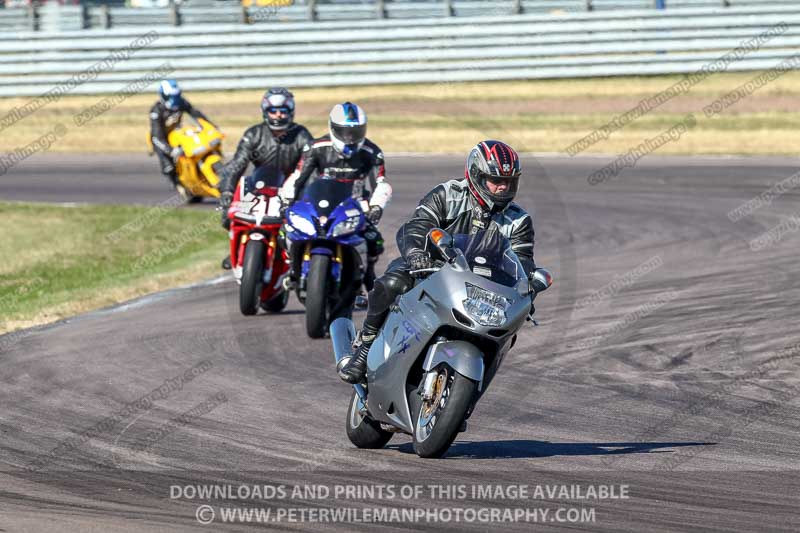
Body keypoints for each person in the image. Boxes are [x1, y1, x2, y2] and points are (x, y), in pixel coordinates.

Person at [338, 140, 536, 384]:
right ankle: (365, 347)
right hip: (432, 269)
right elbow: (417, 226)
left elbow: (523, 260)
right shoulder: (448, 194)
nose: (502, 188)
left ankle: (468, 397)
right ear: (475, 175)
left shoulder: (519, 220)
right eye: (496, 181)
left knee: (506, 334)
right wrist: (416, 255)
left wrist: (527, 290)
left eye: (509, 182)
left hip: (484, 288)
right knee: (392, 283)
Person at [279, 102, 391, 289]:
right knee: (285, 232)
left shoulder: (372, 152)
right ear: (332, 128)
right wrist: (287, 200)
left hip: (355, 204)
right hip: (319, 201)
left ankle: (368, 273)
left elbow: (381, 183)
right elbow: (297, 177)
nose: (349, 137)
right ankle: (293, 270)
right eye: (344, 132)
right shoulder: (315, 147)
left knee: (374, 240)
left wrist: (377, 206)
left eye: (355, 132)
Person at [218, 87, 314, 269]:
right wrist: (227, 191)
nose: (278, 115)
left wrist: (308, 193)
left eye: (282, 111)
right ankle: (237, 250)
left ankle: (299, 257)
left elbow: (311, 167)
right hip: (259, 188)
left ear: (290, 112)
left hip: (290, 191)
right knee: (227, 215)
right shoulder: (253, 134)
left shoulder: (302, 135)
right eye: (273, 111)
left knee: (303, 226)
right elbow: (237, 165)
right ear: (265, 112)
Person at [149, 80, 214, 192]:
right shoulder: (156, 111)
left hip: (177, 133)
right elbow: (156, 137)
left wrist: (211, 127)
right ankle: (176, 182)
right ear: (164, 95)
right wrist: (170, 151)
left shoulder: (181, 103)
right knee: (168, 165)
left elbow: (196, 114)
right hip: (160, 139)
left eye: (176, 96)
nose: (174, 100)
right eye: (171, 97)